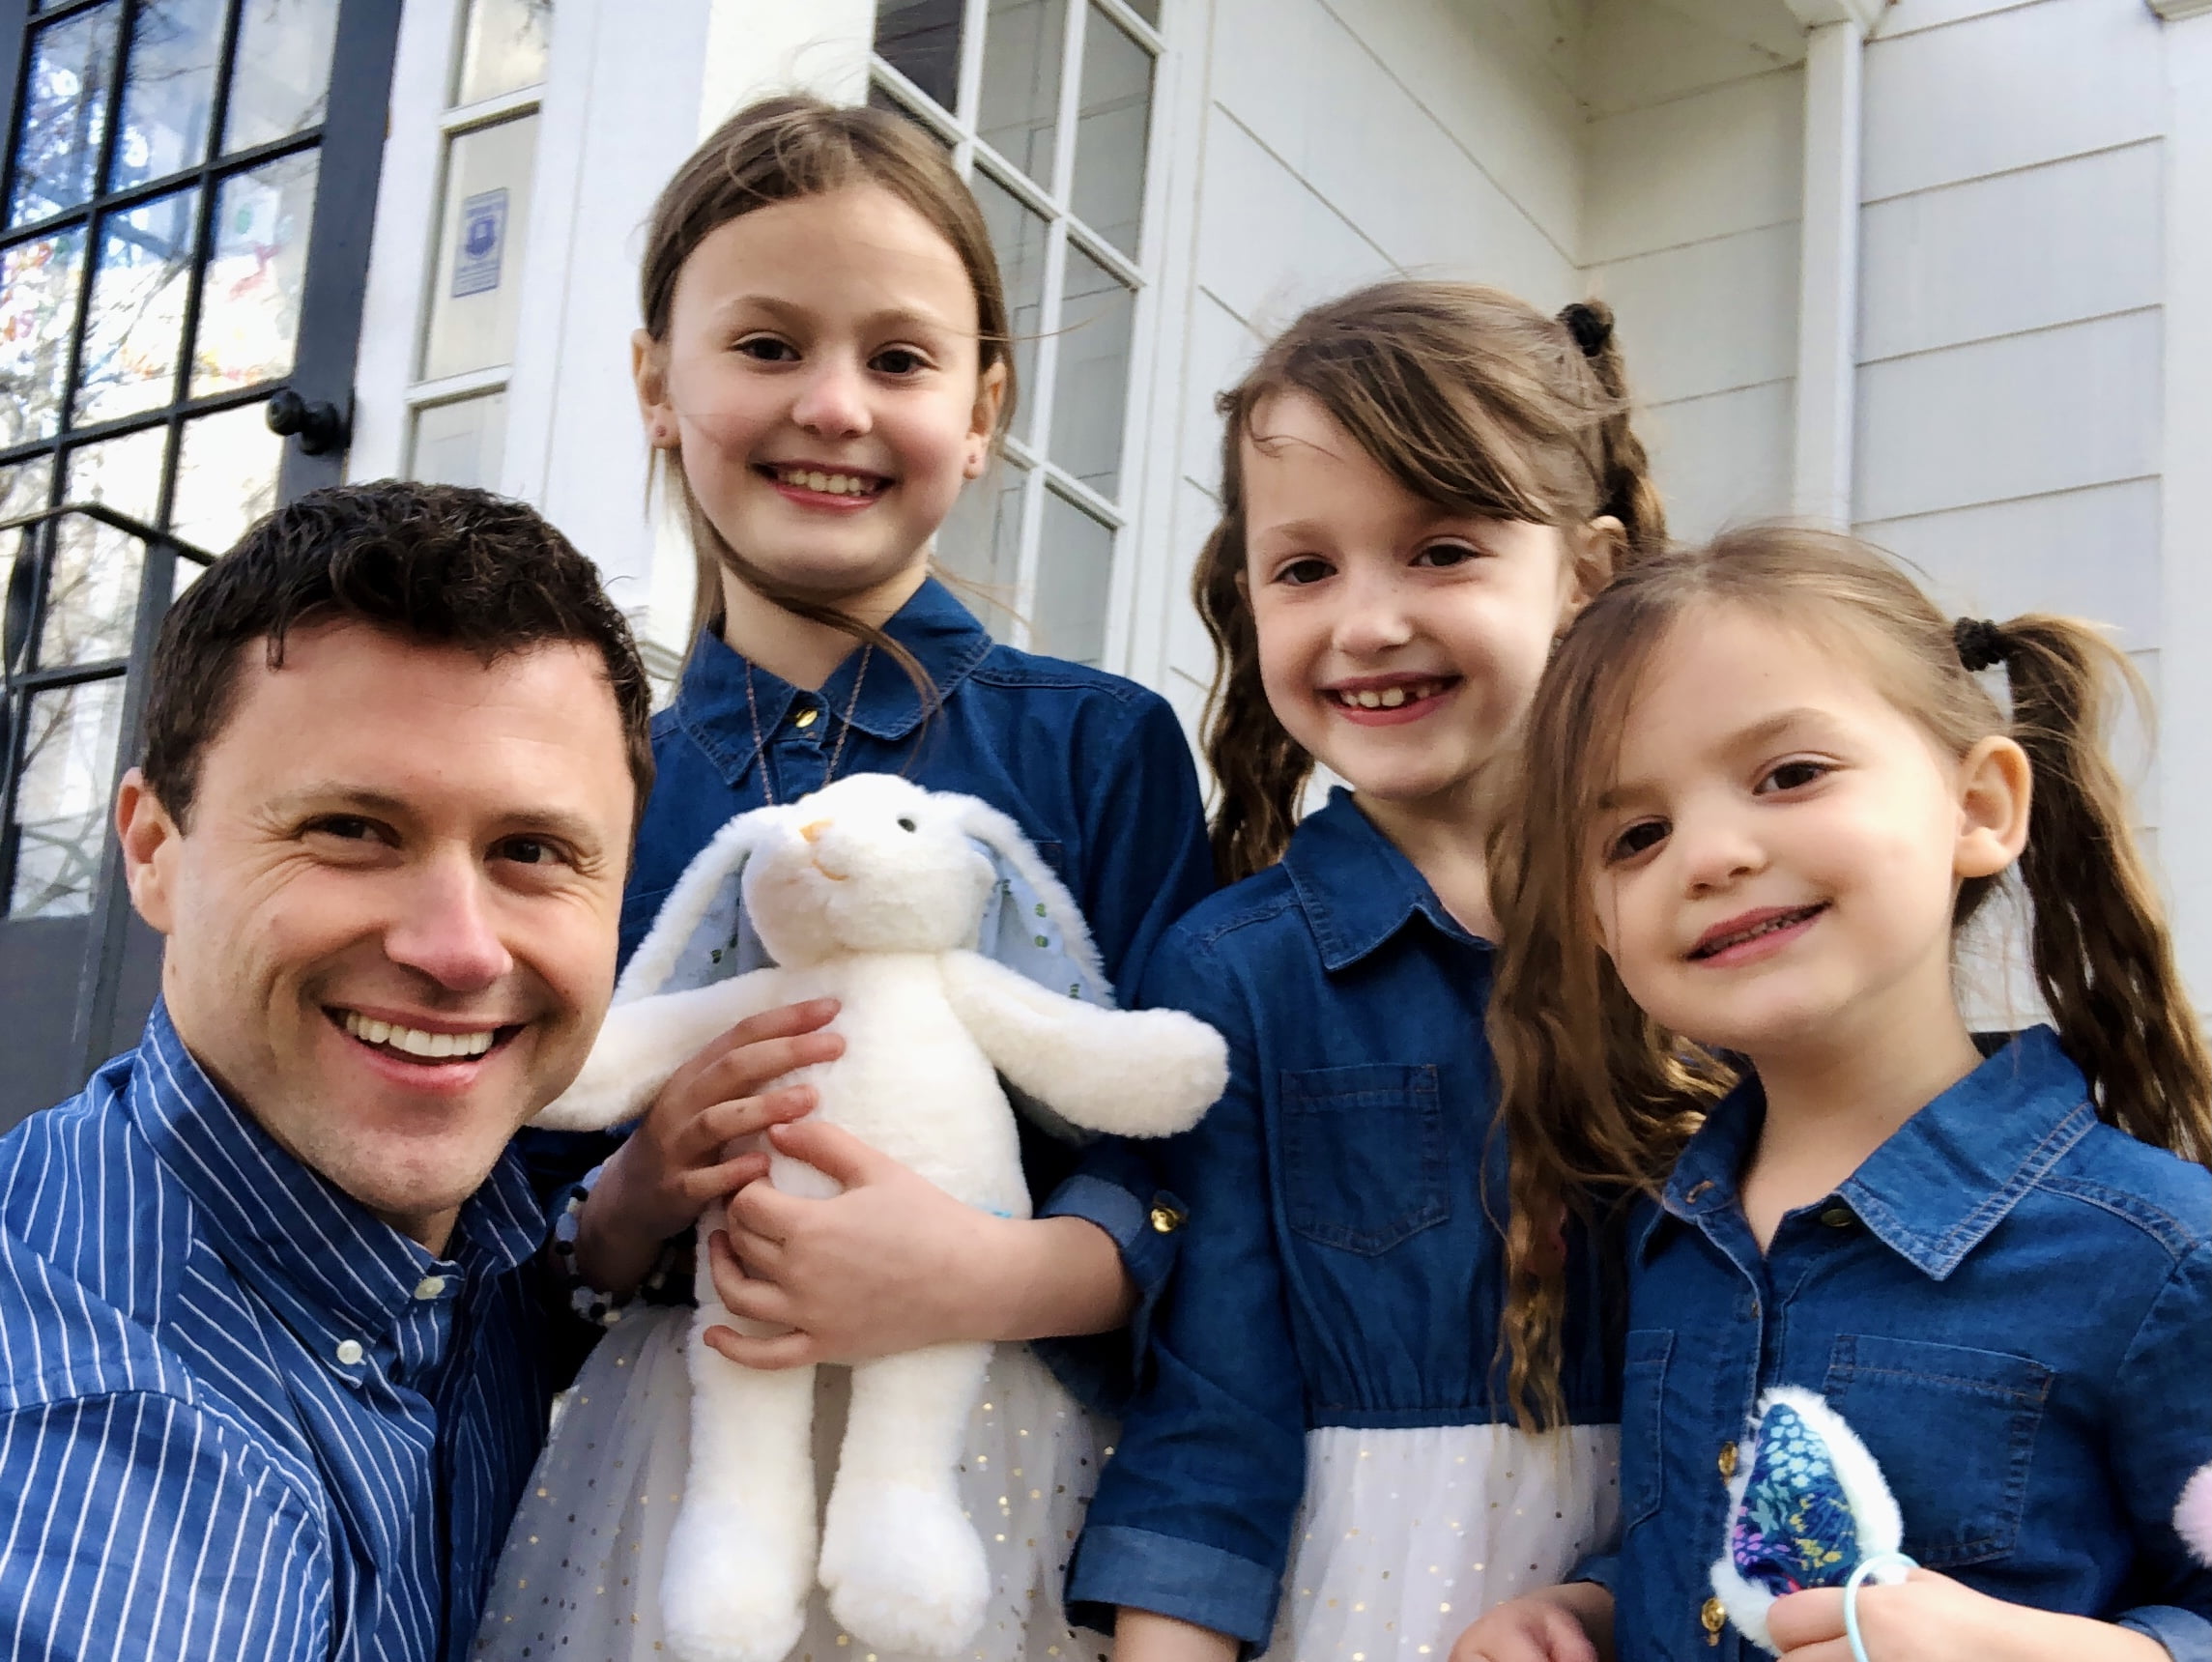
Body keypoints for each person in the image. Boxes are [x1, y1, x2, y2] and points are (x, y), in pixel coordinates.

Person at [474, 96, 1212, 1661]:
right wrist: (628, 1198)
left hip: (984, 1474)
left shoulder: (1097, 748)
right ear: (652, 383)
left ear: (983, 404)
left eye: (896, 358)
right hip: (669, 1483)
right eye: (762, 346)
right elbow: (499, 1187)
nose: (830, 404)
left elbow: (1190, 1144)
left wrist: (999, 1270)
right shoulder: (588, 780)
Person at [1463, 529, 2212, 1662]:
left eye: (1789, 775)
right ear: (1598, 923)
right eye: (1636, 835)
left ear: (1979, 806)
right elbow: (1709, 1560)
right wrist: (1594, 1610)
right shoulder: (1670, 1237)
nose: (1709, 854)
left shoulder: (2156, 1251)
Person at [1065, 280, 1667, 1662]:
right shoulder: (1234, 968)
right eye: (1305, 569)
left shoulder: (1692, 928)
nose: (1368, 622)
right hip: (1349, 1606)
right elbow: (1214, 1400)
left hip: (1682, 1593)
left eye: (1440, 550)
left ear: (1583, 575)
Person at [0, 481, 659, 1659]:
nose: (457, 949)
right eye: (352, 829)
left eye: (532, 851)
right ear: (155, 851)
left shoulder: (470, 1251)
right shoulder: (94, 1445)